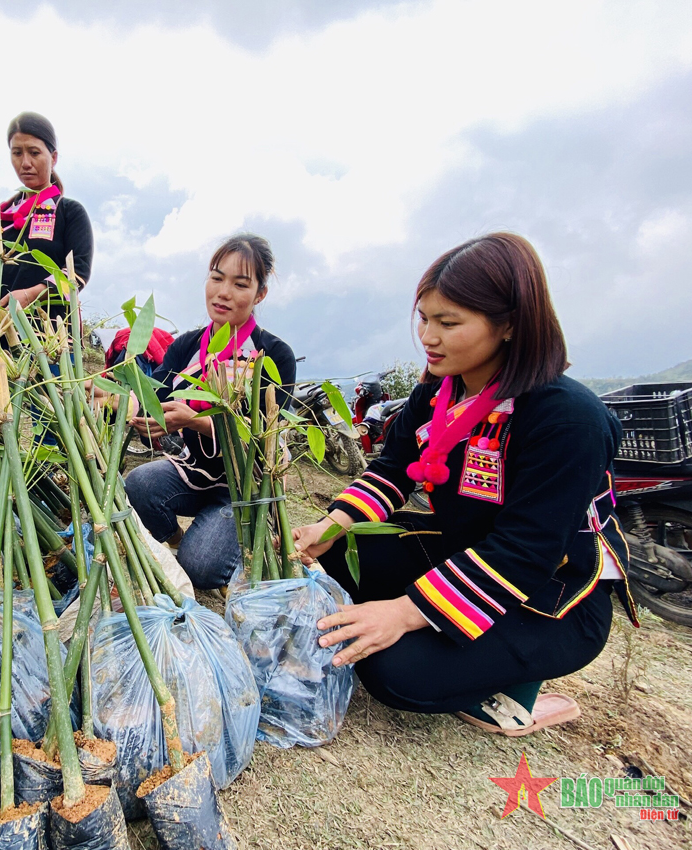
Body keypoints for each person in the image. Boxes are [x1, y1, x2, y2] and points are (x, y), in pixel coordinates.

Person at [292, 232, 637, 736]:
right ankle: (455, 632)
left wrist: (405, 612)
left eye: (448, 323)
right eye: (425, 319)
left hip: (548, 590)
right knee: (330, 557)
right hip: (465, 551)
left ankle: (519, 690)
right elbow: (392, 470)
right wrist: (330, 526)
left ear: (510, 326)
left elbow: (526, 549)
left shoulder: (568, 420)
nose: (428, 338)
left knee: (394, 673)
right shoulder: (437, 392)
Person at [125, 234, 297, 590]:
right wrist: (127, 404)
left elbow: (263, 436)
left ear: (260, 294)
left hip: (244, 487)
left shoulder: (274, 355)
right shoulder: (187, 346)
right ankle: (176, 536)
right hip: (195, 471)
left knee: (200, 566)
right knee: (138, 485)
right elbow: (151, 398)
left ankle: (230, 540)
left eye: (240, 284)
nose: (223, 292)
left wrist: (196, 422)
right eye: (217, 277)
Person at [0, 112, 93, 321]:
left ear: (53, 158)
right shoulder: (1, 214)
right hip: (3, 329)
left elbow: (76, 275)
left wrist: (31, 294)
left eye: (34, 153)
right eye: (17, 153)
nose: (25, 163)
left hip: (53, 334)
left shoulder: (68, 211)